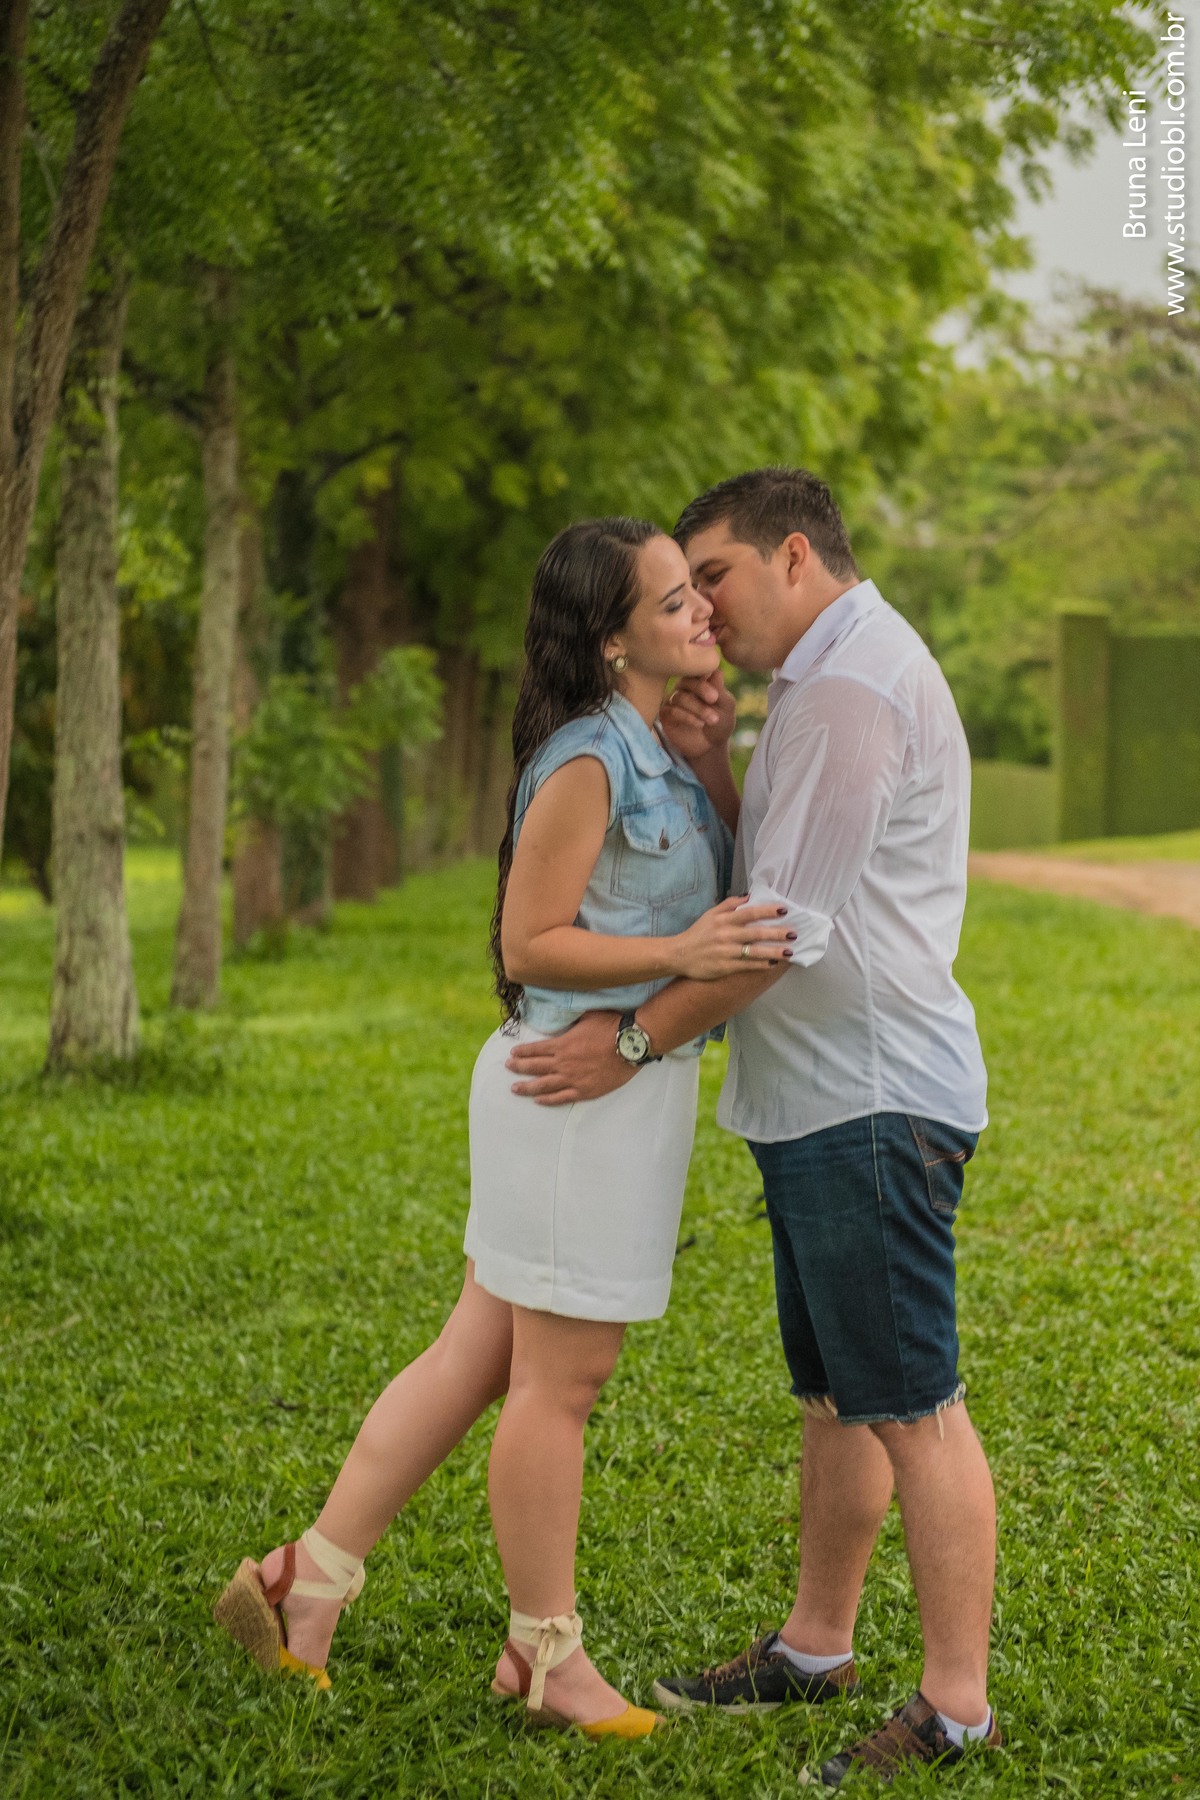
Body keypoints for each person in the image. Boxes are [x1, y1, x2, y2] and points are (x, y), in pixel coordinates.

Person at [213, 516, 793, 1737]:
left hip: (606, 1095)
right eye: (676, 601)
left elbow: (722, 881)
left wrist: (718, 755)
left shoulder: (661, 746)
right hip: (571, 1094)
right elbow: (531, 939)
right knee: (561, 1384)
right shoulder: (590, 759)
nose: (703, 614)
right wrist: (677, 952)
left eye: (698, 593)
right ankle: (544, 1655)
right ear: (611, 637)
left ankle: (302, 1581)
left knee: (479, 1357)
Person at [504, 468, 1002, 1785]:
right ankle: (816, 1648)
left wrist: (626, 1042)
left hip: (873, 1100)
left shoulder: (846, 691)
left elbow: (774, 939)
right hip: (823, 1098)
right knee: (839, 1400)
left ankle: (955, 1707)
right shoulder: (825, 683)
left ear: (793, 556)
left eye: (711, 577)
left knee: (915, 1408)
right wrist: (716, 764)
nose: (705, 612)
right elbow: (769, 876)